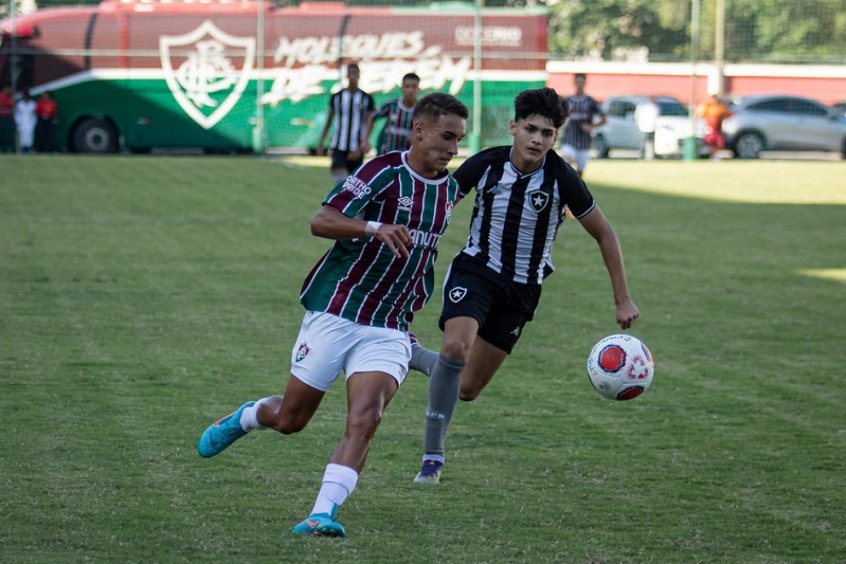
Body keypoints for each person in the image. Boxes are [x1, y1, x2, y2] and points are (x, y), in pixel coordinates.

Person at [197, 93, 469, 537]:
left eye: (458, 140)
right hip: (338, 310)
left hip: (389, 327)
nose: (453, 148)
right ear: (419, 130)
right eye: (446, 136)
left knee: (366, 418)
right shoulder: (381, 172)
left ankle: (321, 514)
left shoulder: (451, 190)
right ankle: (246, 417)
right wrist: (372, 227)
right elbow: (321, 220)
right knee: (291, 419)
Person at [408, 87, 640, 485]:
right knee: (455, 346)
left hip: (522, 291)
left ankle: (413, 353)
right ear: (513, 126)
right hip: (476, 271)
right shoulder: (486, 165)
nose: (537, 139)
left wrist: (623, 298)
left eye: (547, 133)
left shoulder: (563, 179)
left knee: (464, 387)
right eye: (530, 129)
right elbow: (439, 202)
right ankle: (432, 457)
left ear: (556, 137)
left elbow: (605, 234)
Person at [316, 63, 375, 184]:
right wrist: (321, 142)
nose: (353, 76)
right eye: (350, 73)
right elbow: (329, 120)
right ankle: (337, 202)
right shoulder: (337, 97)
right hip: (339, 145)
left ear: (359, 75)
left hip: (357, 147)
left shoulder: (367, 98)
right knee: (339, 181)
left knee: (354, 184)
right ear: (347, 75)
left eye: (355, 73)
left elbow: (370, 121)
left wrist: (364, 142)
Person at [362, 72, 420, 156]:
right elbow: (372, 117)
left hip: (407, 157)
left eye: (414, 87)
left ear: (418, 89)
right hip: (386, 154)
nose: (410, 90)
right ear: (402, 88)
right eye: (407, 86)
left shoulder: (421, 110)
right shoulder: (391, 105)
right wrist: (365, 140)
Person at [560, 74, 606, 176]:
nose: (579, 84)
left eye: (581, 82)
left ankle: (575, 189)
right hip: (569, 139)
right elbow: (559, 116)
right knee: (566, 163)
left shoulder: (590, 101)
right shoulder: (568, 101)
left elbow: (604, 119)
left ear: (585, 83)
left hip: (584, 142)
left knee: (580, 173)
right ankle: (564, 186)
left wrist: (591, 126)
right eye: (577, 82)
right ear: (574, 83)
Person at [697, 94, 732, 160]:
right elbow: (700, 114)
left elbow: (728, 115)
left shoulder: (720, 107)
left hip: (718, 129)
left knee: (719, 143)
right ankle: (711, 156)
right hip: (709, 128)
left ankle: (714, 156)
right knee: (710, 143)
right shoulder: (706, 107)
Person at [634, 96, 660, 160]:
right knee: (645, 142)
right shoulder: (653, 107)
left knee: (649, 142)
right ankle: (643, 155)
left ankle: (647, 156)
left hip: (648, 127)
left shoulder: (651, 107)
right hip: (647, 127)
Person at [0, 86, 15, 153]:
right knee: (2, 133)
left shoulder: (10, 97)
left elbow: (12, 107)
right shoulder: (1, 96)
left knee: (7, 134)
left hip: (8, 117)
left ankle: (7, 148)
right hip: (1, 117)